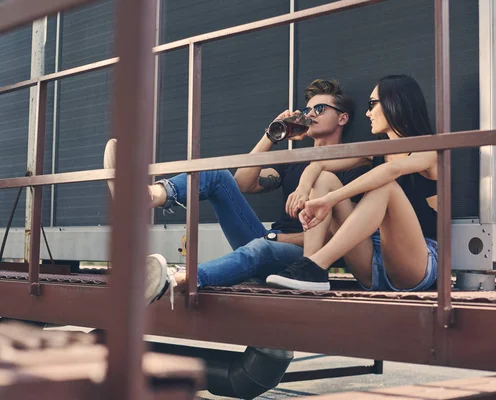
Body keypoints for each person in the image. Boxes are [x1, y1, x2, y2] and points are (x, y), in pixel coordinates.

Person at [104, 79, 369, 307]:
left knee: (258, 248)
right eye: (307, 108)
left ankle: (175, 279)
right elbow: (242, 182)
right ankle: (146, 195)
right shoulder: (293, 161)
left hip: (306, 259)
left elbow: (345, 231)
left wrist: (279, 238)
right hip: (269, 241)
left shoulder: (351, 163)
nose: (310, 114)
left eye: (320, 108)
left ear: (342, 118)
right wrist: (272, 135)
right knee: (217, 176)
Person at [266, 74, 438, 292]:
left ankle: (317, 264)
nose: (367, 113)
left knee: (386, 186)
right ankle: (309, 270)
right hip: (372, 262)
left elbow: (391, 170)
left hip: (418, 263)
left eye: (372, 104)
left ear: (395, 102)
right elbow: (318, 166)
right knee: (325, 179)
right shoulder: (375, 152)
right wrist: (302, 189)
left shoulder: (430, 150)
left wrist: (330, 200)